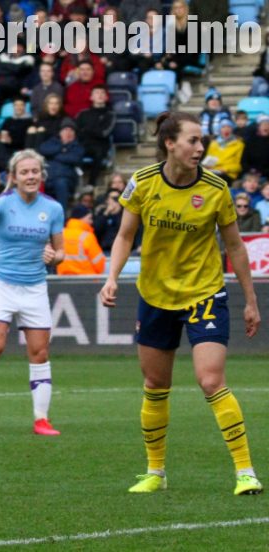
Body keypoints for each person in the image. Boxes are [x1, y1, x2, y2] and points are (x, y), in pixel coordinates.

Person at [99, 111, 263, 496]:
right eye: (192, 140)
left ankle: (245, 471)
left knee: (210, 380)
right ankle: (155, 472)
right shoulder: (141, 183)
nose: (200, 147)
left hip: (204, 293)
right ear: (169, 143)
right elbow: (125, 235)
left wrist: (250, 300)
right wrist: (111, 277)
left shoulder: (216, 188)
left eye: (201, 141)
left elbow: (236, 246)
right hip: (155, 295)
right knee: (156, 383)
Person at [0, 149, 66, 436]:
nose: (30, 176)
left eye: (35, 172)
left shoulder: (53, 208)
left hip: (34, 286)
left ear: (41, 175)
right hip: (1, 283)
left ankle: (41, 419)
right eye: (25, 172)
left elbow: (61, 251)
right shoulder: (2, 202)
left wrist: (53, 257)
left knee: (40, 352)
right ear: (14, 178)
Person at [57, 204, 105, 275]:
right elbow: (99, 264)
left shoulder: (60, 234)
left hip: (62, 279)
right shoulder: (87, 237)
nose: (91, 222)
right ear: (81, 218)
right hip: (87, 280)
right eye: (89, 218)